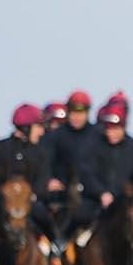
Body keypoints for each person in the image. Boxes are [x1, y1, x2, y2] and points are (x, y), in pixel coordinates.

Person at [0, 104, 63, 253]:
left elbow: (42, 181)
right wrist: (6, 197)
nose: (42, 131)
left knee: (41, 214)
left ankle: (56, 246)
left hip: (30, 204)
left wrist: (32, 195)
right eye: (38, 126)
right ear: (26, 128)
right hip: (3, 203)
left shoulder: (40, 153)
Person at [68, 96, 133, 244]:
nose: (111, 133)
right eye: (108, 128)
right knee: (78, 217)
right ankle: (62, 250)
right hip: (95, 203)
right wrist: (100, 193)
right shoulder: (93, 145)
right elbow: (85, 173)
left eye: (116, 128)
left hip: (124, 204)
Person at [47, 89, 95, 221]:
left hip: (92, 195)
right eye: (73, 112)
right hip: (61, 195)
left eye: (81, 113)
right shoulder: (56, 136)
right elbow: (46, 161)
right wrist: (50, 179)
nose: (77, 117)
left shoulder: (97, 135)